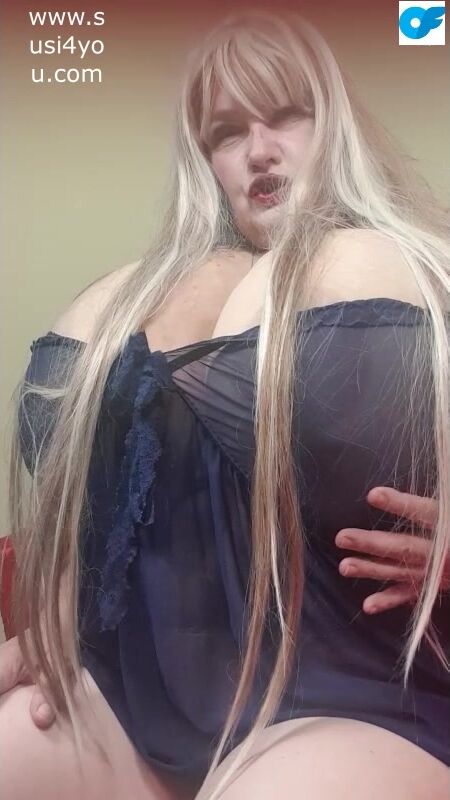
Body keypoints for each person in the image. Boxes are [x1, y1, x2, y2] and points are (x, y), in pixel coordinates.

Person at [1, 8, 449, 800]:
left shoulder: (425, 271)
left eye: (286, 114)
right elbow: (115, 509)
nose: (258, 150)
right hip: (145, 700)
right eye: (226, 132)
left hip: (364, 697)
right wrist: (60, 619)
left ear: (335, 124)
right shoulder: (172, 292)